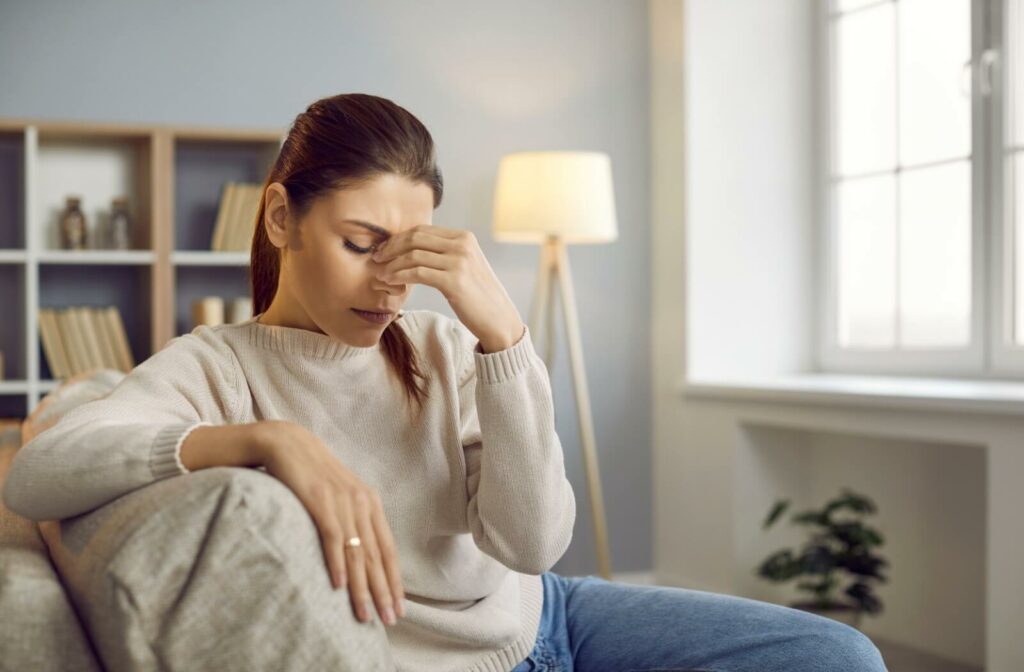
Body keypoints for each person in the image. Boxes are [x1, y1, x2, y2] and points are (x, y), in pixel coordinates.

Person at [3, 92, 886, 672]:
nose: (391, 281)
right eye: (361, 244)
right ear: (281, 218)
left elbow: (533, 543)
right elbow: (41, 471)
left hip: (551, 619)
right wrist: (270, 441)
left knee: (841, 660)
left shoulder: (439, 343)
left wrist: (503, 336)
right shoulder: (216, 368)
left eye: (411, 249)